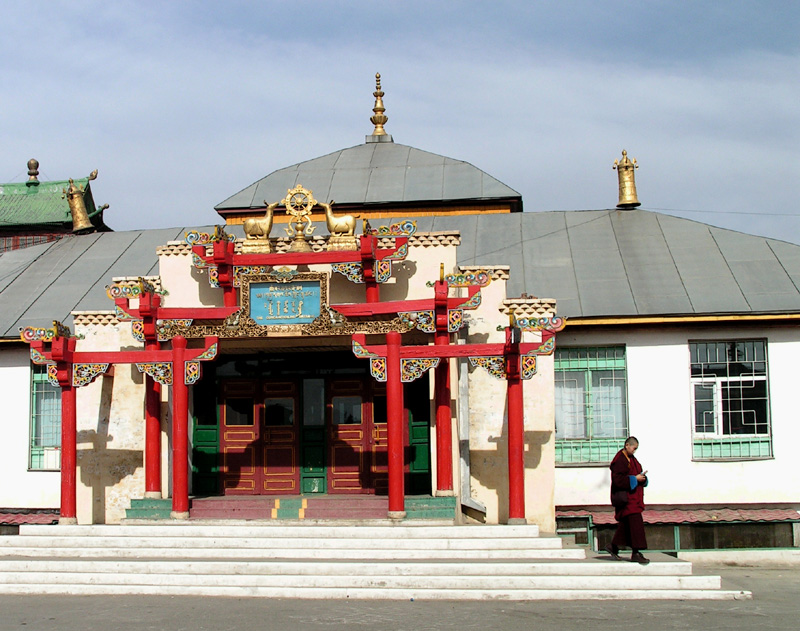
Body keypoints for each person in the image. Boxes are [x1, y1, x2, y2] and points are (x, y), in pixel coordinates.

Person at [605, 436, 650, 564]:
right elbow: (618, 480)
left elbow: (636, 473)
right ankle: (636, 553)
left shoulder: (631, 459)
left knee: (626, 526)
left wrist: (643, 478)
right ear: (627, 445)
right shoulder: (620, 460)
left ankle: (613, 546)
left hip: (633, 498)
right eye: (634, 448)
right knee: (636, 524)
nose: (634, 451)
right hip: (627, 500)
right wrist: (635, 479)